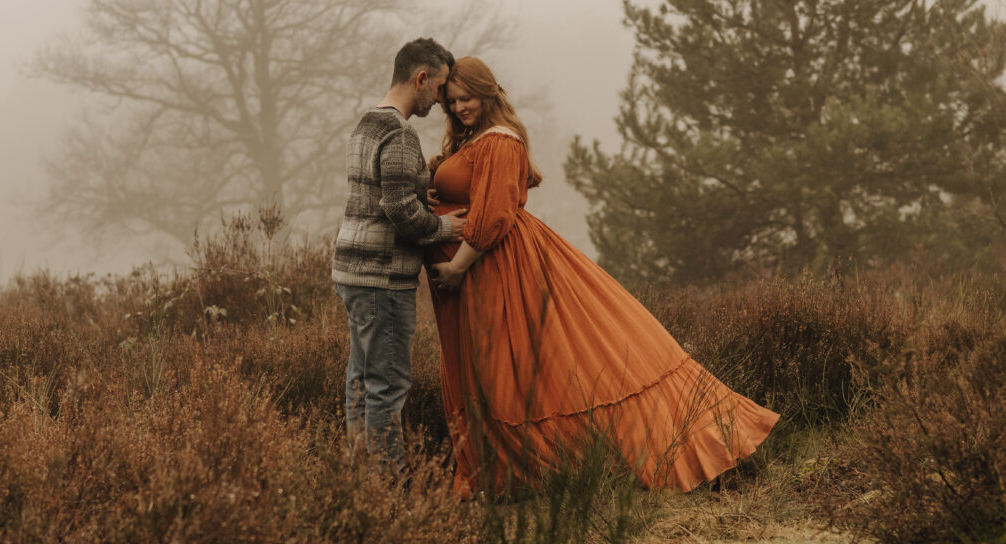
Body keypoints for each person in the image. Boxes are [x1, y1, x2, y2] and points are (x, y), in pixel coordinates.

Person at [425, 57, 778, 497]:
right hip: (481, 274)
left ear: (489, 93)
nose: (459, 108)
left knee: (548, 364)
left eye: (468, 98)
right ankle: (501, 472)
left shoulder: (499, 141)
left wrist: (457, 267)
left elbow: (494, 214)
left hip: (496, 269)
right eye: (452, 101)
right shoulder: (474, 139)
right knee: (509, 370)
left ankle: (614, 455)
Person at [331, 37, 467, 468]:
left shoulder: (364, 125)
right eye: (440, 88)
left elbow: (381, 196)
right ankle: (385, 489)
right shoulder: (400, 133)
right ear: (421, 79)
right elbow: (398, 211)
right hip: (382, 278)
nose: (442, 99)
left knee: (361, 381)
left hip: (352, 271)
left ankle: (360, 479)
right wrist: (449, 226)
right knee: (388, 385)